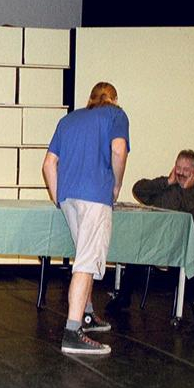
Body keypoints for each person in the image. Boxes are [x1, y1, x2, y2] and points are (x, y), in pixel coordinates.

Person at [43, 82, 130, 355]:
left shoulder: (68, 120)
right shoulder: (116, 115)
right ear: (114, 98)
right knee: (86, 261)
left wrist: (59, 197)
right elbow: (119, 150)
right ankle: (72, 331)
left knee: (85, 255)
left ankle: (88, 314)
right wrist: (115, 186)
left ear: (90, 98)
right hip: (95, 196)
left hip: (69, 196)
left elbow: (48, 164)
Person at [106, 150, 194, 320]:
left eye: (186, 169)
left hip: (185, 241)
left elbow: (190, 216)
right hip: (158, 239)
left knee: (181, 254)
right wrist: (167, 182)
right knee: (137, 246)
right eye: (178, 167)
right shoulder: (166, 186)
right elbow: (138, 190)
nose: (180, 173)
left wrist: (184, 189)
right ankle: (124, 297)